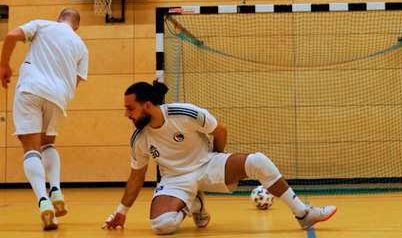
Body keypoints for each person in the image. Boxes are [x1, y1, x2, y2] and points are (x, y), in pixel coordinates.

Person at [102, 81, 337, 234]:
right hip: (174, 180)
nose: (126, 114)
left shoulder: (185, 113)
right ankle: (195, 202)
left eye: (130, 108)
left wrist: (218, 159)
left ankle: (304, 214)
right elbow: (136, 176)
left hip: (207, 164)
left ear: (149, 106)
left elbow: (220, 130)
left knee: (257, 161)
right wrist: (120, 212)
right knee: (162, 225)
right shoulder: (139, 138)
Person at [0, 9, 89, 230]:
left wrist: (4, 65)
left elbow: (11, 36)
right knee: (48, 143)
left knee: (30, 148)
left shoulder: (42, 25)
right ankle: (56, 189)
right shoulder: (81, 46)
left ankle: (43, 200)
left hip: (31, 89)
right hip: (59, 96)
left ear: (59, 18)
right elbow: (77, 81)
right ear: (76, 26)